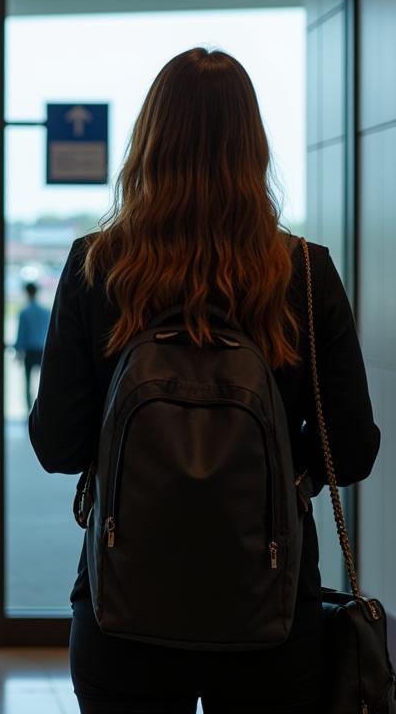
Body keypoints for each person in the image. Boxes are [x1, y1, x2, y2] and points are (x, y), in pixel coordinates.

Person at [29, 48, 380, 714]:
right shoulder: (303, 272)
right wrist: (274, 467)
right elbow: (353, 450)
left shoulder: (95, 266)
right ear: (253, 147)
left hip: (122, 602)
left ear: (148, 145)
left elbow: (57, 446)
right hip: (270, 606)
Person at [14, 281, 47, 412]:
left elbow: (21, 334)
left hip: (29, 351)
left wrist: (18, 352)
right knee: (44, 383)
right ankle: (42, 410)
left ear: (26, 293)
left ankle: (29, 410)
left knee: (27, 383)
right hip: (43, 350)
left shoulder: (24, 312)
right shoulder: (46, 311)